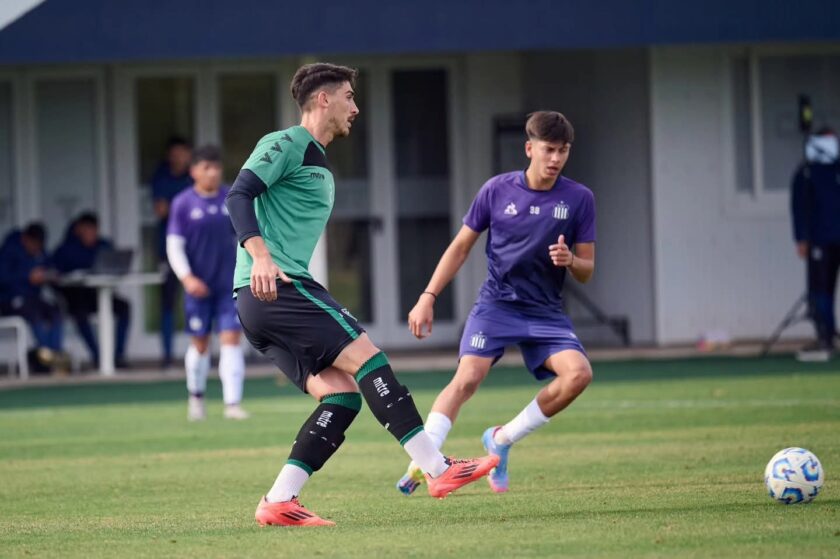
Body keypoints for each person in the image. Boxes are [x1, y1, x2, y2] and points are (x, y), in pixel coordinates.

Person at [225, 62, 498, 527]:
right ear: (323, 99)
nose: (355, 107)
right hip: (277, 285)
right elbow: (238, 195)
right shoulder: (286, 142)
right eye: (349, 96)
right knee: (369, 360)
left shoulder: (318, 160)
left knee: (341, 397)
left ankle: (279, 500)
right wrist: (262, 257)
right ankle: (438, 469)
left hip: (261, 301)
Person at [396, 111, 596, 496]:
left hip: (544, 311)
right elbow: (460, 247)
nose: (556, 158)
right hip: (497, 305)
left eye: (563, 151)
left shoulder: (579, 198)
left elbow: (587, 270)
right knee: (467, 378)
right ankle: (427, 459)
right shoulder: (496, 190)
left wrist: (572, 260)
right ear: (529, 148)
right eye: (549, 149)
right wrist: (427, 297)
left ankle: (501, 440)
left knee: (579, 375)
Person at [167, 145, 249, 421]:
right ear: (194, 172)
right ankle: (196, 397)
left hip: (228, 284)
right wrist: (187, 277)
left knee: (231, 339)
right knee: (200, 343)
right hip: (198, 287)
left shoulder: (231, 198)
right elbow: (174, 245)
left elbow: (247, 236)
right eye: (206, 168)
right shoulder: (183, 203)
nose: (212, 173)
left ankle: (232, 404)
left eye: (216, 167)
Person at [52, 213, 132, 368]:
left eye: (93, 230)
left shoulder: (104, 246)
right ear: (79, 230)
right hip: (76, 297)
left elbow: (114, 267)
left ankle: (118, 356)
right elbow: (55, 275)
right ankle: (98, 357)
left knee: (124, 307)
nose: (90, 234)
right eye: (87, 230)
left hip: (98, 294)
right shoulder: (67, 249)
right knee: (79, 314)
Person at [791, 127, 840, 362]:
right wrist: (802, 238)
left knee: (825, 289)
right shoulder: (807, 173)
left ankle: (828, 334)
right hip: (820, 241)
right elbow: (799, 207)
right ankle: (825, 335)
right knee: (820, 290)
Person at [0, 222, 67, 369]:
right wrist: (27, 277)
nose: (36, 248)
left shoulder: (40, 253)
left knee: (55, 313)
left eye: (39, 245)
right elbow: (3, 277)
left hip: (33, 299)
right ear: (25, 239)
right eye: (34, 244)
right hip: (10, 300)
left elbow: (51, 267)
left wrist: (52, 276)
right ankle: (46, 359)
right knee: (35, 315)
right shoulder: (9, 251)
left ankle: (53, 355)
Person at [152, 137, 193, 367]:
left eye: (182, 153)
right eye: (174, 153)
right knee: (167, 302)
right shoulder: (161, 176)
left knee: (200, 299)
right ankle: (167, 356)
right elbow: (160, 210)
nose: (178, 158)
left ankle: (203, 351)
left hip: (197, 248)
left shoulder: (194, 176)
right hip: (167, 248)